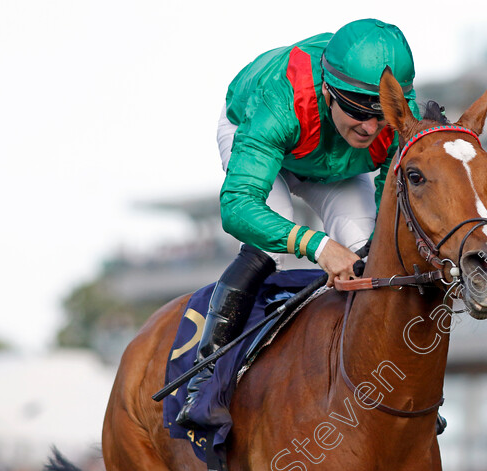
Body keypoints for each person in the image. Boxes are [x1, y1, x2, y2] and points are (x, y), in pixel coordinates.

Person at [176, 18, 422, 428]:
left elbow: (389, 198)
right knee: (274, 238)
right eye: (359, 112)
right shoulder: (280, 98)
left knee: (370, 252)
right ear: (328, 90)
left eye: (382, 116)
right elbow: (237, 206)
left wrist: (373, 248)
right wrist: (318, 245)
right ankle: (207, 378)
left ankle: (389, 377)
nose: (369, 127)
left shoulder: (400, 116)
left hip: (336, 164)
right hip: (259, 131)